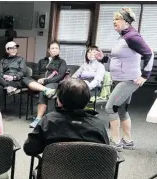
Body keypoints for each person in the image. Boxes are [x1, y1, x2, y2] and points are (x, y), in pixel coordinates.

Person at [95, 7, 153, 151]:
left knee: (110, 107)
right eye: (113, 19)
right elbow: (120, 57)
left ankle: (115, 142)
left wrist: (145, 75)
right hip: (121, 79)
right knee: (121, 109)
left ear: (126, 21)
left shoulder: (132, 36)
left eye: (117, 19)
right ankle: (127, 141)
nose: (114, 21)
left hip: (128, 80)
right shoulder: (124, 36)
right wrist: (103, 59)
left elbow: (149, 54)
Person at [23, 78, 109, 157]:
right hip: (89, 173)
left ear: (59, 100)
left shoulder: (48, 120)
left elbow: (29, 149)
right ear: (87, 100)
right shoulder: (98, 125)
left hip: (52, 172)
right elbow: (107, 154)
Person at [23, 41, 67, 128]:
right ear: (49, 50)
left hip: (53, 83)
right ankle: (46, 90)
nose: (54, 50)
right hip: (40, 83)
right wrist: (39, 79)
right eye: (52, 48)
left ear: (59, 50)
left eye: (56, 48)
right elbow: (35, 73)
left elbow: (60, 76)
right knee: (25, 79)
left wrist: (46, 81)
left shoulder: (62, 62)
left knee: (43, 91)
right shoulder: (42, 61)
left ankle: (38, 118)